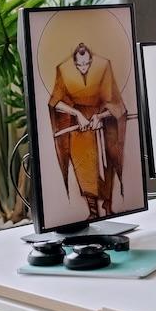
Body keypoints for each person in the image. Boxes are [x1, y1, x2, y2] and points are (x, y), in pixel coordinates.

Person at [48, 42, 127, 219]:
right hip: (79, 128)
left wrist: (100, 116)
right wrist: (76, 113)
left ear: (91, 60)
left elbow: (115, 102)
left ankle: (108, 207)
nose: (83, 68)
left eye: (86, 64)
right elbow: (55, 101)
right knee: (84, 169)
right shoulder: (63, 69)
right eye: (79, 65)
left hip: (101, 123)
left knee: (106, 166)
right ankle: (92, 212)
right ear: (74, 62)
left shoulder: (104, 66)